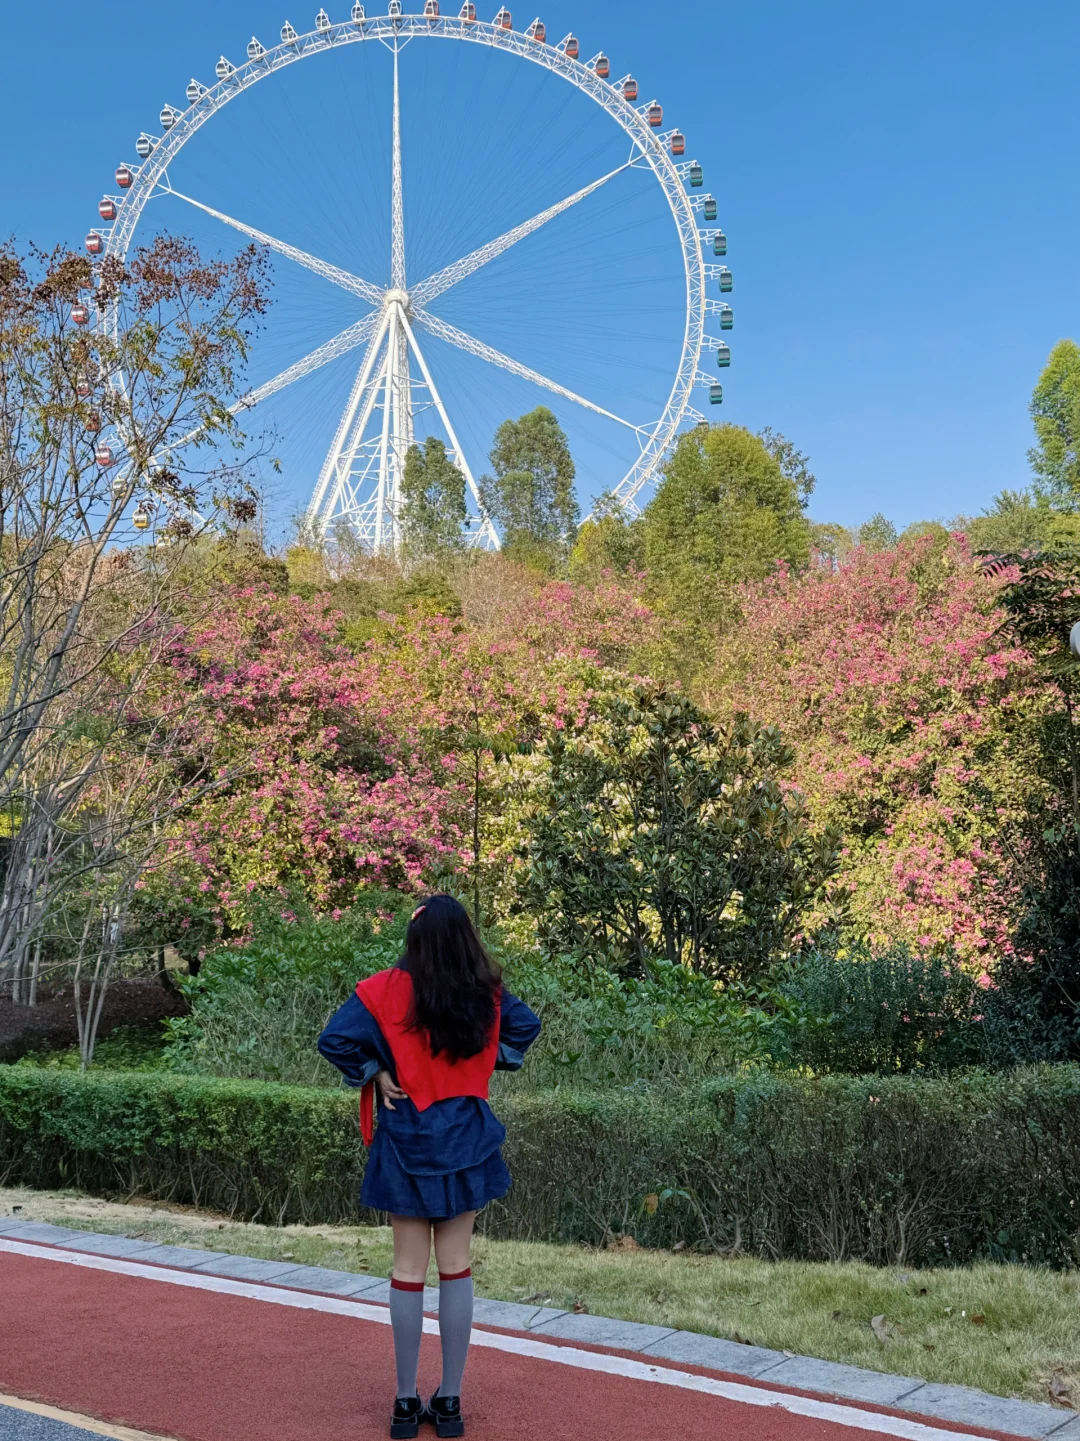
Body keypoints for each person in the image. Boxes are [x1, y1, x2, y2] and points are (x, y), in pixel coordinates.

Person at [318, 894, 541, 1440]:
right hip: (468, 1135)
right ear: (465, 937)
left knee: (407, 1270)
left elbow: (333, 1040)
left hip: (406, 1138)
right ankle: (450, 1402)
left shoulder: (381, 990)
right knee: (457, 1266)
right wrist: (482, 1059)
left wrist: (376, 1071)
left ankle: (403, 1403)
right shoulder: (486, 993)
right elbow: (525, 1029)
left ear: (414, 939)